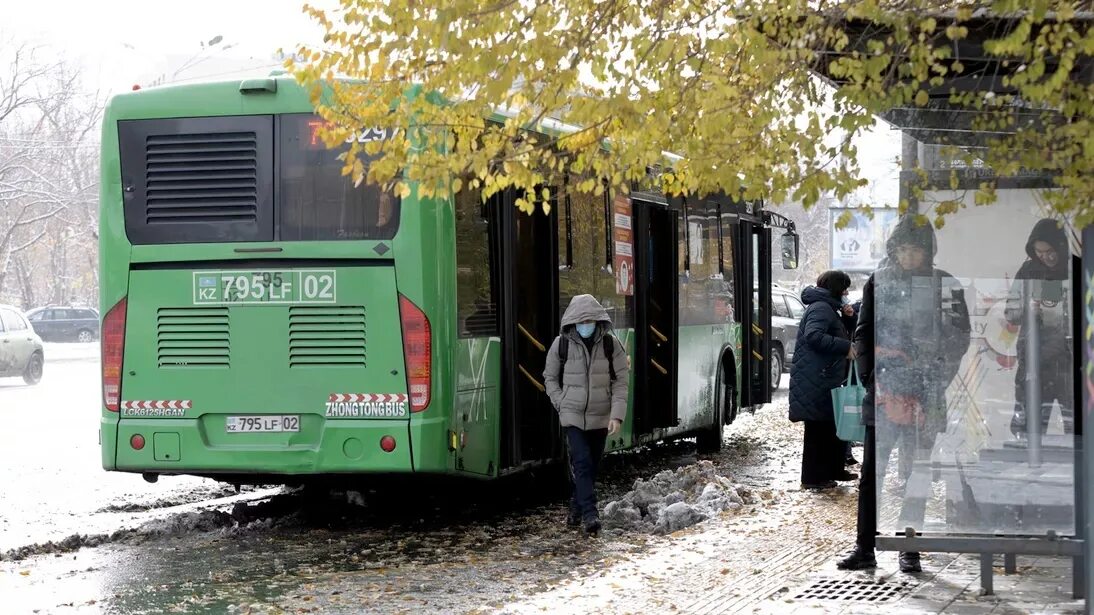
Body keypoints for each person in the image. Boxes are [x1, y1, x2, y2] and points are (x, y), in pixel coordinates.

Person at [838, 216, 971, 573]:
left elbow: (960, 337)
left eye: (916, 250)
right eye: (903, 249)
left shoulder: (946, 284)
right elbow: (863, 333)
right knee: (872, 473)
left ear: (928, 251)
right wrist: (871, 379)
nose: (909, 256)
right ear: (893, 250)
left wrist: (935, 378)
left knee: (917, 471)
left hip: (925, 393)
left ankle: (909, 544)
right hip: (883, 391)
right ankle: (864, 545)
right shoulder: (879, 283)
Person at [543, 294, 630, 536]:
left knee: (591, 466)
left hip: (601, 416)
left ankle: (575, 506)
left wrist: (617, 415)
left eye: (590, 320)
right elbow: (549, 377)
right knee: (581, 462)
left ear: (598, 321)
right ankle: (591, 514)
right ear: (572, 322)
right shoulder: (560, 345)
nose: (585, 325)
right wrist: (561, 402)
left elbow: (621, 381)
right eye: (581, 321)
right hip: (572, 416)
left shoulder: (612, 345)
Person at [789, 270, 858, 490]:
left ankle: (832, 470)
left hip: (824, 377)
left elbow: (837, 332)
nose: (847, 292)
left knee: (831, 426)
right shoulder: (821, 308)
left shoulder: (829, 308)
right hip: (816, 377)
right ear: (837, 288)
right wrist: (845, 347)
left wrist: (848, 318)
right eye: (845, 288)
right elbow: (814, 336)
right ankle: (813, 478)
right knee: (817, 430)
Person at [1006, 218, 1073, 439]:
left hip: (1069, 362)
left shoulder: (1074, 268)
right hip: (1034, 360)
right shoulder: (1028, 270)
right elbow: (1011, 312)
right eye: (1039, 252)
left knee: (1076, 429)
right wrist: (1029, 309)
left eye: (1050, 250)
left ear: (1060, 247)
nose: (1046, 256)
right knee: (1028, 429)